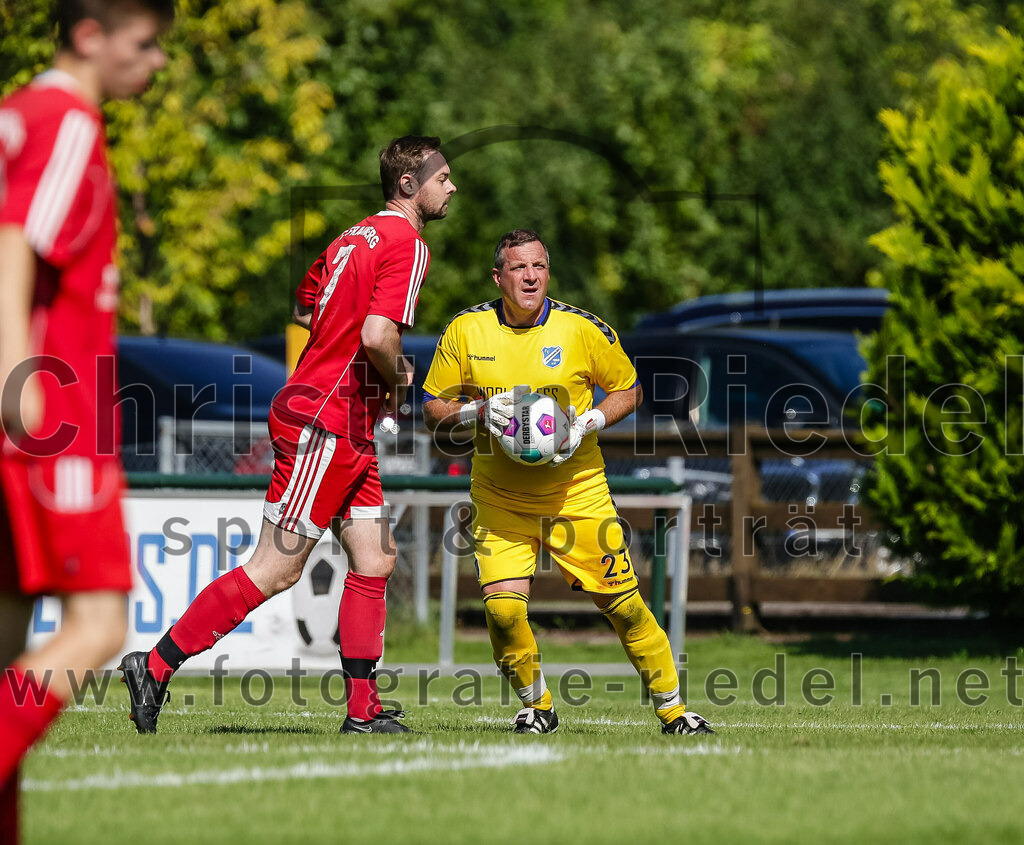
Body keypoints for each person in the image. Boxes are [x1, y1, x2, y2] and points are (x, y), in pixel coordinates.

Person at [118, 135, 456, 735]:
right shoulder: (409, 242)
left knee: (374, 559)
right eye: (443, 177)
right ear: (409, 184)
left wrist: (336, 363)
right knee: (277, 569)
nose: (452, 187)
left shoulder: (350, 237)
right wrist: (398, 378)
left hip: (342, 422)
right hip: (326, 423)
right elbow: (379, 336)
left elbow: (304, 308)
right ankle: (157, 664)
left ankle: (363, 711)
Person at [422, 229, 713, 735]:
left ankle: (674, 711)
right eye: (518, 268)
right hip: (499, 498)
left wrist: (586, 424)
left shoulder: (581, 328)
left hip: (576, 494)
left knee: (624, 607)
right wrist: (476, 412)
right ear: (499, 276)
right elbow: (432, 408)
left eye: (538, 266)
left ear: (548, 272)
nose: (530, 276)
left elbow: (628, 389)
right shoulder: (466, 331)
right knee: (504, 613)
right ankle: (538, 708)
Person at [0, 0, 174, 838]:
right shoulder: (67, 120)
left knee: (10, 650)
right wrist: (18, 381)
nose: (159, 62)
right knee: (99, 625)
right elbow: (13, 245)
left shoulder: (18, 116)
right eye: (147, 44)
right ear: (89, 35)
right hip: (50, 423)